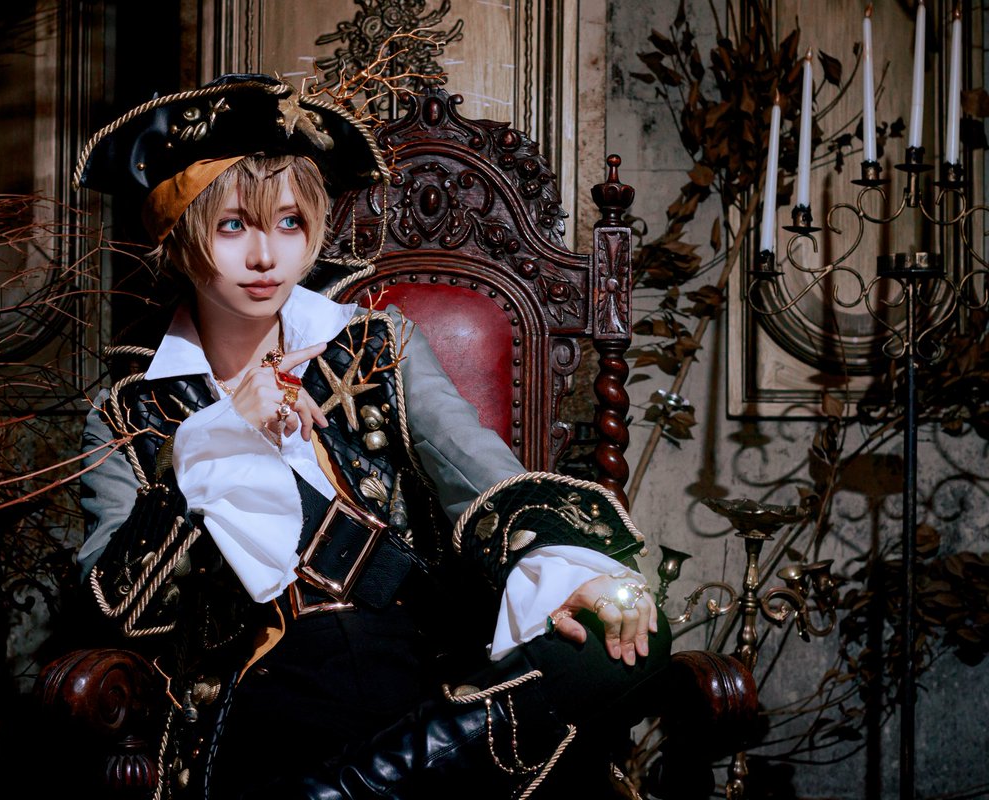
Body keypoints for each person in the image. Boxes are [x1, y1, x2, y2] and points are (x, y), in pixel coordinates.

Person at [73, 73, 671, 799]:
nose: (265, 256)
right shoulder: (127, 413)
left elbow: (484, 476)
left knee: (633, 637)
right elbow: (117, 610)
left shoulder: (376, 348)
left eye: (289, 223)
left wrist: (579, 574)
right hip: (266, 680)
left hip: (412, 658)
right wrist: (213, 438)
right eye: (233, 226)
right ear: (178, 236)